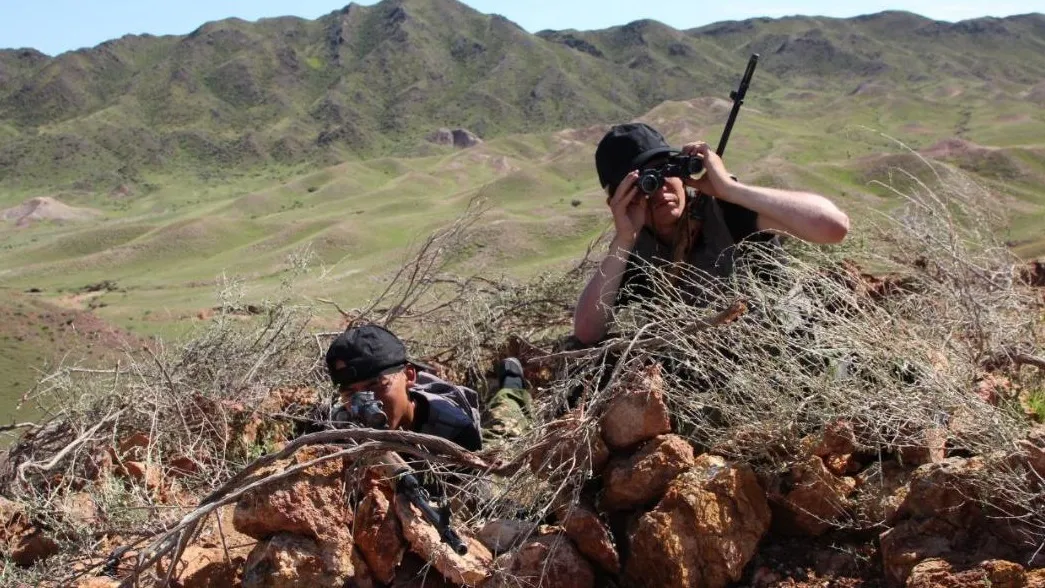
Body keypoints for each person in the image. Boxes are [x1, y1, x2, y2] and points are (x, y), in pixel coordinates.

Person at [573, 122, 850, 345]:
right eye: (645, 183)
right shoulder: (634, 253)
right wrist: (623, 240)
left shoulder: (728, 214)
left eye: (664, 172)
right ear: (619, 199)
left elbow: (833, 226)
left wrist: (731, 190)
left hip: (787, 354)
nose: (660, 190)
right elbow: (587, 332)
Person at [324, 324, 532, 451]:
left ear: (409, 375)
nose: (365, 404)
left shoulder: (453, 429)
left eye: (375, 385)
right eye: (351, 393)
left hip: (456, 425)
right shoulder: (342, 426)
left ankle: (511, 380)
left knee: (503, 429)